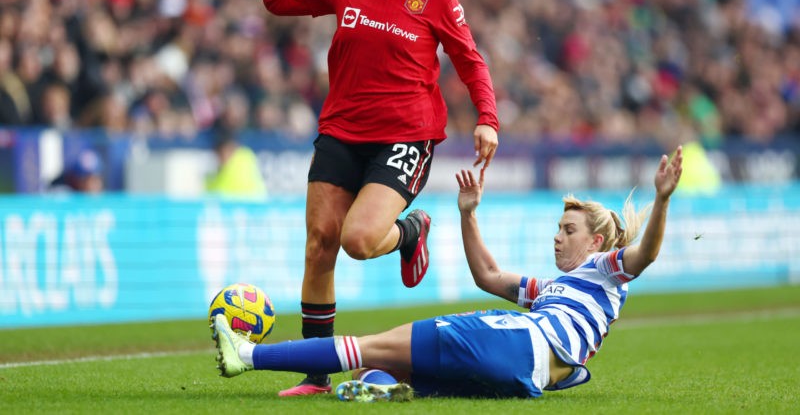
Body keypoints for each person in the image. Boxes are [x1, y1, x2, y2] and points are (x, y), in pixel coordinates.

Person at [211, 146, 684, 401]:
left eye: (568, 230)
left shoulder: (604, 270)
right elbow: (489, 275)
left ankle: (247, 355)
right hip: (524, 375)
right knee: (387, 368)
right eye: (557, 228)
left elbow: (643, 257)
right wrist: (468, 214)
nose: (557, 238)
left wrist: (661, 200)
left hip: (519, 341)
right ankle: (380, 388)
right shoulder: (559, 290)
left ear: (596, 242)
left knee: (371, 345)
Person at [261, 0, 500, 395]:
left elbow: (470, 61)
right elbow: (279, 1)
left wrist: (487, 119)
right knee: (319, 244)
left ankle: (410, 230)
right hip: (341, 131)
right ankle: (317, 373)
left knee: (359, 240)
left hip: (405, 135)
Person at [205, 127, 268, 200]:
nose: (222, 154)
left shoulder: (243, 160)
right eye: (219, 151)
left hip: (247, 206)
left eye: (225, 150)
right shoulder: (245, 156)